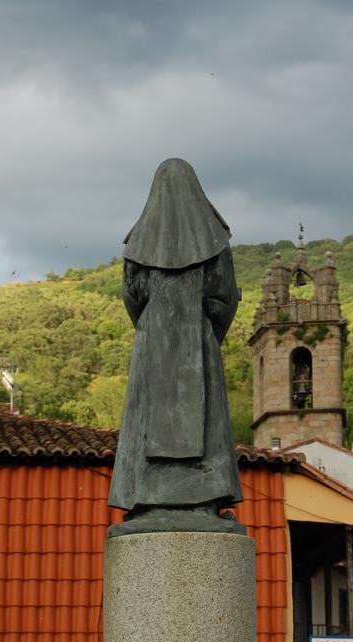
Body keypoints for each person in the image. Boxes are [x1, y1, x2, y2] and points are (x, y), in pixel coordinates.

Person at [107, 158, 245, 537]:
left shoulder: (138, 246)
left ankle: (146, 498)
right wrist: (201, 336)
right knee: (207, 419)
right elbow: (224, 298)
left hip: (152, 344)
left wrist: (155, 332)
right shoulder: (215, 244)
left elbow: (132, 298)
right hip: (198, 344)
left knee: (144, 420)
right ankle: (204, 498)